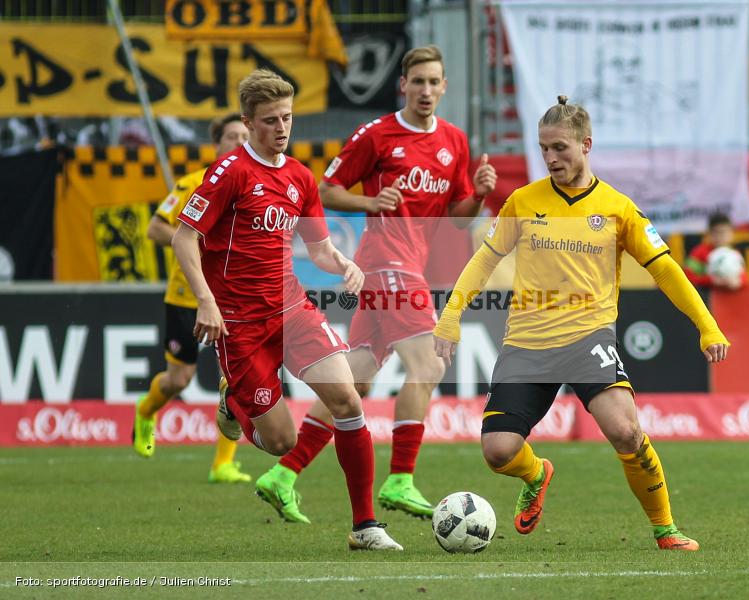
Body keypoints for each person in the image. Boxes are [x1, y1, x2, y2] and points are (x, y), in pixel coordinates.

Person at [433, 97, 730, 551]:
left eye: (560, 148)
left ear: (586, 145)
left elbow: (666, 270)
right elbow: (483, 262)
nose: (551, 158)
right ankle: (536, 473)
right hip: (527, 343)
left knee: (626, 431)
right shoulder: (523, 201)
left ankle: (665, 528)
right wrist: (451, 315)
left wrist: (706, 325)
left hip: (589, 338)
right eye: (544, 149)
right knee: (498, 452)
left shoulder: (617, 208)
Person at [250, 45, 497, 523]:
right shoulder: (378, 135)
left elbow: (458, 221)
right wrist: (370, 203)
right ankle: (400, 478)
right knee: (429, 361)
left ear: (444, 87)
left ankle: (283, 474)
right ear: (402, 85)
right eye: (417, 81)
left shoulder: (454, 142)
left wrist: (481, 195)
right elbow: (326, 189)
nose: (426, 90)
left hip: (408, 266)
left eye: (434, 82)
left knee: (357, 379)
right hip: (386, 261)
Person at [171, 69, 403, 551]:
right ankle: (233, 402)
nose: (282, 128)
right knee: (281, 442)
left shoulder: (299, 176)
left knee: (348, 400)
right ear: (248, 122)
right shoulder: (230, 172)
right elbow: (184, 236)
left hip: (293, 310)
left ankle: (365, 527)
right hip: (239, 323)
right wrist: (206, 301)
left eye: (288, 118)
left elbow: (317, 249)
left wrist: (344, 264)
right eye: (271, 120)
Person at [132, 113, 252, 485]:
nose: (238, 141)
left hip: (231, 298)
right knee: (178, 380)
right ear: (216, 143)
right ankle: (146, 411)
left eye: (244, 136)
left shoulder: (253, 183)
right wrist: (192, 240)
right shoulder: (192, 183)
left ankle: (223, 464)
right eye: (232, 136)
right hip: (186, 297)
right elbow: (155, 228)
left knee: (233, 380)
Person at [683, 213, 748, 290]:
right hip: (705, 297)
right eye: (716, 232)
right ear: (709, 233)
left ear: (731, 233)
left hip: (728, 299)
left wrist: (738, 282)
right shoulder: (699, 252)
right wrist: (711, 280)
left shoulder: (735, 254)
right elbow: (686, 276)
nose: (720, 236)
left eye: (723, 232)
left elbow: (745, 277)